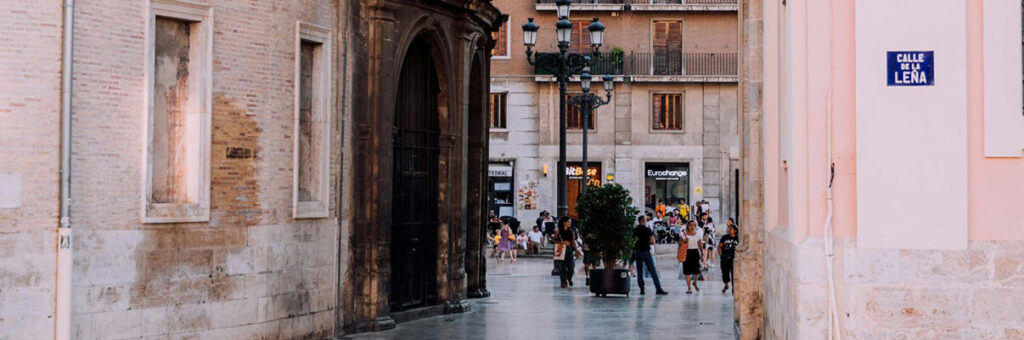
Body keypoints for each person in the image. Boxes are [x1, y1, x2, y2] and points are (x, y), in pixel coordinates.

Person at [633, 215, 669, 295]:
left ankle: (642, 289)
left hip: (637, 251)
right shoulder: (647, 229)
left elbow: (633, 241)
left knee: (639, 271)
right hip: (645, 251)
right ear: (643, 220)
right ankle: (658, 288)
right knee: (652, 270)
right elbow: (652, 241)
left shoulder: (635, 230)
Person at [553, 216, 581, 288]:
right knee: (562, 267)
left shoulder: (571, 231)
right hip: (561, 249)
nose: (570, 223)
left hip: (569, 249)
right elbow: (553, 240)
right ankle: (563, 281)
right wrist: (560, 242)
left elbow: (573, 241)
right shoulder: (558, 231)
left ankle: (569, 277)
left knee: (571, 266)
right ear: (564, 223)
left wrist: (577, 250)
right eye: (568, 222)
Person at [680, 221, 704, 294]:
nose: (692, 227)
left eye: (694, 225)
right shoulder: (683, 234)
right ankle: (689, 288)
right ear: (687, 226)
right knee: (687, 271)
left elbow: (700, 244)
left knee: (696, 270)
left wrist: (702, 254)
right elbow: (680, 243)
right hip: (687, 253)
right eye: (690, 225)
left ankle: (695, 282)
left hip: (695, 252)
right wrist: (684, 242)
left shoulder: (698, 235)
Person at [719, 218, 740, 294]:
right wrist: (721, 255)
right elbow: (720, 246)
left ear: (735, 230)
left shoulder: (738, 238)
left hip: (734, 257)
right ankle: (726, 284)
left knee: (734, 272)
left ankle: (734, 287)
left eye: (731, 228)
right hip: (725, 257)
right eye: (729, 228)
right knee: (725, 272)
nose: (729, 230)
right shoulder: (724, 237)